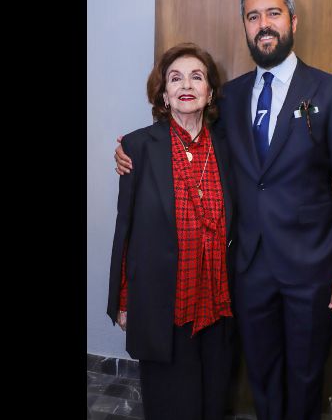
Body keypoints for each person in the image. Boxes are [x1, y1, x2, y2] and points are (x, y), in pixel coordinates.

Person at [115, 0, 332, 420]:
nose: (263, 24)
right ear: (245, 27)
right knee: (261, 373)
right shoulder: (229, 98)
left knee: (307, 374)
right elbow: (184, 144)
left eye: (273, 13)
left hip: (311, 268)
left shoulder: (331, 92)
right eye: (253, 16)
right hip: (247, 269)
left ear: (294, 20)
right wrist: (126, 152)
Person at [106, 42, 237, 420]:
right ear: (164, 93)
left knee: (213, 400)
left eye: (197, 77)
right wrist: (124, 299)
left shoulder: (228, 147)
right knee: (169, 404)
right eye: (175, 78)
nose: (186, 85)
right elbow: (125, 228)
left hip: (218, 302)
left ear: (209, 91)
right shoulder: (137, 147)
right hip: (164, 303)